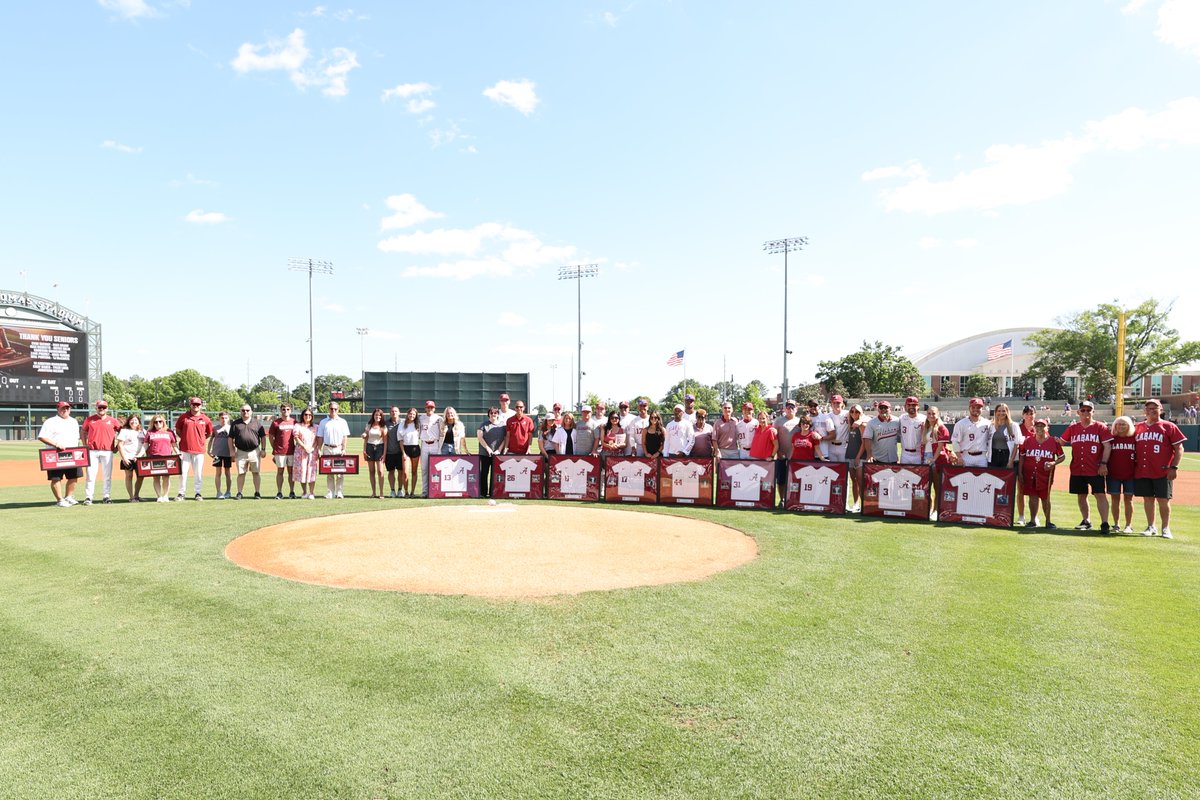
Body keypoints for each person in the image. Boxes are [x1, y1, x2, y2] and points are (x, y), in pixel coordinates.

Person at [1130, 398, 1185, 539]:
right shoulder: (1138, 427)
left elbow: (1179, 448)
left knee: (1163, 499)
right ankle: (1151, 526)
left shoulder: (1168, 426)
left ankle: (1166, 528)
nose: (1152, 410)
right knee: (1147, 499)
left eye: (1155, 407)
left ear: (1161, 409)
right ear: (1145, 411)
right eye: (1149, 408)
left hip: (1162, 470)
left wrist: (1174, 467)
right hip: (1142, 469)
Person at [1058, 399, 1113, 532]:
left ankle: (1105, 523)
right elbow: (1060, 442)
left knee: (1100, 494)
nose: (1086, 412)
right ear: (1078, 412)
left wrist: (1104, 464)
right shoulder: (1073, 428)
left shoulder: (1100, 427)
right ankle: (1086, 520)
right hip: (1077, 468)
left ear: (1093, 412)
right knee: (1081, 495)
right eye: (1083, 410)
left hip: (1095, 468)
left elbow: (1107, 446)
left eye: (1088, 410)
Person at [1019, 419, 1065, 529]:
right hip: (1030, 474)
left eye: (1042, 426)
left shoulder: (1054, 441)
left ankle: (1048, 521)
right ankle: (1032, 520)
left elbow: (1062, 456)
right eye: (1037, 426)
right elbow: (1022, 457)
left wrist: (1053, 463)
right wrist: (1020, 473)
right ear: (1034, 427)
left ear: (1047, 428)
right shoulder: (1028, 441)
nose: (1039, 428)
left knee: (1045, 498)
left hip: (1045, 475)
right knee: (1033, 497)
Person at [38, 400, 82, 507]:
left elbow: (76, 438)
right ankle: (60, 500)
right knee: (56, 478)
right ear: (58, 409)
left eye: (67, 408)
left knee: (74, 476)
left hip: (72, 453)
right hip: (55, 453)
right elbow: (42, 437)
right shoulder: (50, 421)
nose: (65, 410)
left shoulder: (74, 421)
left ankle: (69, 497)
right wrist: (56, 444)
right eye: (63, 408)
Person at [82, 399, 123, 504]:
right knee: (91, 475)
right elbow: (83, 431)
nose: (101, 409)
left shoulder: (113, 420)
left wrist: (118, 446)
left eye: (103, 407)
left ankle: (106, 496)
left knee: (107, 476)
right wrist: (84, 445)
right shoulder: (90, 419)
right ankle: (88, 497)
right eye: (99, 407)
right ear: (96, 408)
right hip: (92, 450)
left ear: (107, 408)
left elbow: (123, 433)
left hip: (107, 451)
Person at [174, 396, 213, 501]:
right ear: (190, 405)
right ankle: (181, 493)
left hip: (199, 450)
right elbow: (178, 430)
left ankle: (198, 493)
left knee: (198, 473)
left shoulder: (205, 419)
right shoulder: (184, 417)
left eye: (198, 404)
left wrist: (201, 440)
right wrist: (185, 437)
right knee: (183, 473)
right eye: (194, 404)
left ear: (201, 406)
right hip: (184, 449)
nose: (196, 406)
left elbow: (209, 432)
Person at [1104, 415, 1138, 534]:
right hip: (1113, 474)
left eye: (1124, 424)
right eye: (1118, 424)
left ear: (1129, 426)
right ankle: (1116, 524)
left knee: (1128, 499)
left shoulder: (1135, 439)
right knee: (1115, 499)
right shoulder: (1111, 439)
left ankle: (1128, 525)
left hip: (1130, 474)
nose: (1121, 426)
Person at [229, 404, 267, 499]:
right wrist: (232, 451)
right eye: (243, 410)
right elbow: (230, 438)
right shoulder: (235, 423)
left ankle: (257, 492)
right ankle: (239, 492)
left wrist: (263, 449)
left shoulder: (257, 423)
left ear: (251, 411)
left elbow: (263, 437)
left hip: (254, 451)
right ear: (240, 411)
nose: (245, 412)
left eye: (247, 410)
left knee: (256, 472)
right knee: (241, 473)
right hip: (240, 451)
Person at [314, 401, 351, 499]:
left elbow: (345, 437)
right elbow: (320, 437)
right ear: (329, 409)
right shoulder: (323, 422)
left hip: (338, 448)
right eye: (331, 409)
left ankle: (339, 492)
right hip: (327, 448)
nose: (333, 410)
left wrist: (344, 448)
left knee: (340, 472)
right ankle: (330, 492)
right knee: (329, 472)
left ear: (338, 409)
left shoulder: (343, 421)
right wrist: (319, 449)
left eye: (335, 409)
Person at [922, 406, 952, 521]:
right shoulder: (926, 427)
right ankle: (928, 509)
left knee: (937, 486)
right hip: (926, 458)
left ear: (938, 414)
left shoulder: (941, 428)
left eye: (933, 413)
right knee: (926, 486)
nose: (931, 416)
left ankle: (936, 510)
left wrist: (934, 459)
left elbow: (940, 447)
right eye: (929, 413)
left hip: (937, 459)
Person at [143, 414, 178, 502]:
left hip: (167, 457)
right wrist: (139, 455)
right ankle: (159, 496)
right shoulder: (150, 432)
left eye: (160, 421)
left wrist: (179, 453)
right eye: (156, 422)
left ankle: (166, 495)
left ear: (163, 422)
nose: (158, 423)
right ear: (153, 423)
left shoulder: (169, 432)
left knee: (166, 477)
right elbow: (145, 446)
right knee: (156, 477)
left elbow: (174, 445)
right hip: (154, 457)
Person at [268, 403, 298, 500]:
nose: (286, 411)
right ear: (281, 410)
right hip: (280, 452)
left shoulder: (294, 422)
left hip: (291, 451)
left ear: (291, 410)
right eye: (284, 409)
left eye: (288, 409)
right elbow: (271, 437)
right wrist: (275, 448)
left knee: (291, 472)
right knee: (280, 471)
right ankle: (279, 492)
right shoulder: (276, 422)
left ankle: (292, 491)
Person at [772, 400, 800, 504]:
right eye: (788, 407)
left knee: (795, 479)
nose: (790, 409)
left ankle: (793, 499)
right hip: (781, 454)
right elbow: (773, 437)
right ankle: (782, 499)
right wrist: (778, 451)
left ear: (796, 409)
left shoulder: (800, 421)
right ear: (784, 409)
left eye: (792, 407)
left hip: (796, 455)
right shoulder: (778, 421)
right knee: (781, 479)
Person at [951, 397, 991, 468]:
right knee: (966, 478)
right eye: (973, 407)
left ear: (982, 409)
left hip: (982, 457)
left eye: (978, 407)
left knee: (983, 478)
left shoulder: (987, 423)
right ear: (969, 408)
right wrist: (959, 457)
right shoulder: (961, 424)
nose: (976, 409)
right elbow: (955, 441)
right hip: (967, 456)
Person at [1015, 405, 1038, 525]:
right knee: (1021, 489)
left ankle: (1035, 516)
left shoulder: (1039, 428)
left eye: (1032, 413)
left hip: (1035, 462)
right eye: (1027, 413)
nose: (1030, 416)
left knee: (1035, 490)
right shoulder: (1018, 428)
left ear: (1035, 414)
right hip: (1021, 462)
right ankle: (1021, 516)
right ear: (1023, 415)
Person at [115, 414, 147, 502]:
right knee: (129, 476)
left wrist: (141, 455)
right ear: (129, 421)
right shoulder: (124, 431)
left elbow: (146, 444)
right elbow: (120, 445)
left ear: (139, 422)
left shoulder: (143, 431)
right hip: (128, 457)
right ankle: (131, 497)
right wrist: (124, 458)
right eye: (132, 420)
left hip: (139, 458)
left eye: (136, 420)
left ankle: (136, 495)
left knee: (141, 477)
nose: (134, 422)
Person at [477, 407, 506, 497]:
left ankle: (494, 492)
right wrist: (487, 448)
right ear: (489, 414)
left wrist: (499, 450)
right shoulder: (484, 424)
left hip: (497, 454)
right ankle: (483, 493)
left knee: (496, 474)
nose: (493, 414)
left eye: (495, 413)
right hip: (485, 453)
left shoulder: (502, 425)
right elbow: (480, 437)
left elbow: (505, 439)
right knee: (484, 472)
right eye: (491, 413)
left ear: (498, 414)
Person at [417, 400, 443, 497]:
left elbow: (441, 433)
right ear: (425, 408)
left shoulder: (439, 418)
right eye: (428, 407)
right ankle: (425, 492)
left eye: (431, 407)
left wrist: (440, 446)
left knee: (436, 469)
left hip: (435, 444)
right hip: (424, 444)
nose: (430, 409)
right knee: (424, 469)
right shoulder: (421, 418)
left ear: (434, 408)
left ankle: (435, 490)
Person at [987, 403, 1023, 471]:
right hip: (994, 455)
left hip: (1007, 455)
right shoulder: (991, 426)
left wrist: (1011, 461)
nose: (1001, 413)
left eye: (1003, 411)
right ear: (995, 412)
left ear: (1007, 412)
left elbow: (1016, 445)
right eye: (999, 411)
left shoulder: (1014, 426)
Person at [291, 407, 318, 500]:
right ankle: (304, 492)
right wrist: (304, 447)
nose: (308, 416)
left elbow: (317, 440)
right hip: (301, 452)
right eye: (306, 414)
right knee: (302, 471)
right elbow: (296, 437)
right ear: (302, 416)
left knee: (311, 472)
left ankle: (311, 492)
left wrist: (312, 448)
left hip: (312, 452)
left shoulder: (315, 427)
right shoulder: (298, 425)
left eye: (310, 415)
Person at [361, 407, 388, 498]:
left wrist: (384, 454)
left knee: (380, 471)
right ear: (373, 415)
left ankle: (381, 492)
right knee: (371, 471)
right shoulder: (369, 425)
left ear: (381, 416)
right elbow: (366, 438)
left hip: (379, 448)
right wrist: (364, 450)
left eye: (379, 415)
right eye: (376, 415)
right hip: (369, 447)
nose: (378, 417)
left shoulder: (383, 426)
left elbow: (385, 442)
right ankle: (374, 492)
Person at [863, 400, 900, 464]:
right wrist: (869, 454)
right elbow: (867, 439)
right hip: (878, 459)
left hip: (893, 458)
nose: (883, 409)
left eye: (885, 408)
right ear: (878, 409)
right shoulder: (872, 422)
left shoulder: (897, 421)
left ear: (890, 409)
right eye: (881, 408)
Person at [815, 394, 850, 462]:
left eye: (838, 402)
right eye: (834, 402)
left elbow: (862, 416)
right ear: (831, 404)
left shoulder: (847, 414)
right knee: (833, 469)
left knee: (843, 469)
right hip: (830, 446)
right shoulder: (827, 416)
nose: (836, 404)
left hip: (843, 445)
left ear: (842, 403)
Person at [207, 411, 234, 499]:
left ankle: (228, 491)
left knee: (228, 472)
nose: (224, 419)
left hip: (228, 453)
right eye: (222, 418)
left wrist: (234, 453)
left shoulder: (231, 428)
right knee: (218, 472)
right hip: (217, 453)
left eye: (226, 418)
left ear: (228, 418)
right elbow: (211, 439)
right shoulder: (215, 428)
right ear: (219, 419)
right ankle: (218, 492)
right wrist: (209, 450)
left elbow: (234, 441)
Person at [845, 404, 866, 511]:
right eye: (852, 411)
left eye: (857, 411)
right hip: (849, 455)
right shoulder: (850, 424)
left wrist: (858, 456)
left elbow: (864, 443)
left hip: (860, 456)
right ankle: (856, 504)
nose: (854, 413)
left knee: (860, 480)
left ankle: (864, 505)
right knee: (853, 481)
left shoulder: (862, 424)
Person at [399, 407, 421, 497]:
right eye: (410, 414)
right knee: (405, 472)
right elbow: (400, 439)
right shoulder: (402, 424)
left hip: (415, 448)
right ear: (407, 414)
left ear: (416, 416)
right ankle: (406, 491)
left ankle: (412, 492)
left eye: (414, 414)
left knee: (414, 471)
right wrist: (403, 453)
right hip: (406, 449)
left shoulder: (418, 424)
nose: (412, 415)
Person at [897, 395, 925, 466]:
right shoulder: (901, 418)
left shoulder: (924, 419)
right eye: (909, 405)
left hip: (918, 454)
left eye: (914, 405)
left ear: (918, 406)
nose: (911, 407)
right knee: (903, 475)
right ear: (905, 406)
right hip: (904, 454)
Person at [384, 406, 406, 498]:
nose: (394, 413)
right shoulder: (385, 423)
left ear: (399, 412)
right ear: (390, 413)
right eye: (392, 411)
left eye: (396, 411)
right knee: (391, 471)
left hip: (400, 452)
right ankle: (392, 490)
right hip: (389, 452)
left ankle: (400, 490)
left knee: (401, 471)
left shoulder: (404, 422)